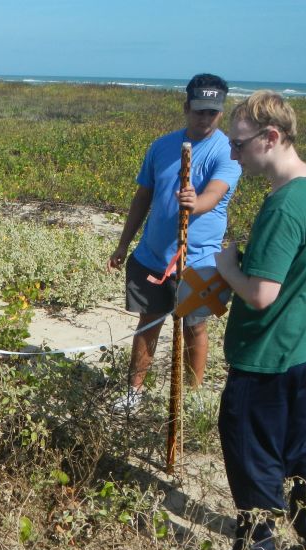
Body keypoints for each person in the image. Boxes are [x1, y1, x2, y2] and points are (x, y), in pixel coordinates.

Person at [214, 91, 306, 550]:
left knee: (253, 456)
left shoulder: (284, 208)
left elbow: (262, 294)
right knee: (300, 447)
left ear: (271, 137)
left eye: (239, 143)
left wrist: (227, 267)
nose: (233, 153)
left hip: (266, 356)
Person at [108, 74, 241, 411]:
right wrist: (124, 244)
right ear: (186, 108)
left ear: (221, 113)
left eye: (212, 112)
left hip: (200, 261)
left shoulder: (228, 152)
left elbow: (214, 195)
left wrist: (194, 203)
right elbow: (143, 197)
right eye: (199, 111)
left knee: (194, 327)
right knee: (148, 323)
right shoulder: (162, 146)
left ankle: (191, 399)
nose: (205, 118)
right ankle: (134, 392)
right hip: (152, 256)